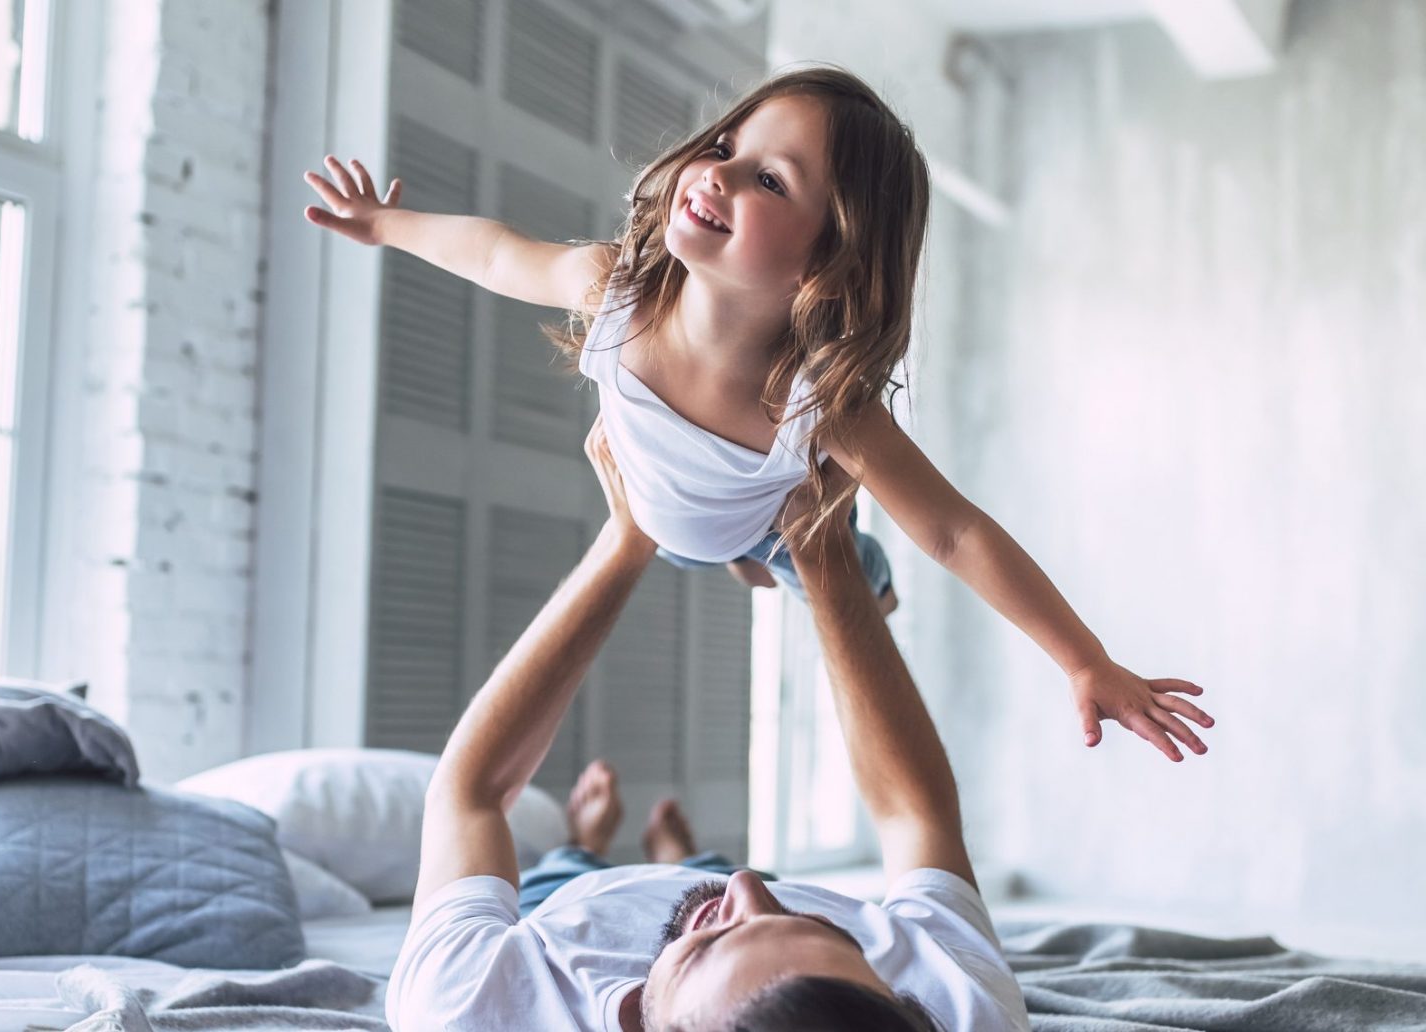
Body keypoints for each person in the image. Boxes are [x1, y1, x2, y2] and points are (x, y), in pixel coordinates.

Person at [303, 65, 1214, 760]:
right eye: (727, 148)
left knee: (829, 561)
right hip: (660, 507)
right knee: (709, 548)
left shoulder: (819, 407)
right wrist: (385, 226)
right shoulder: (613, 290)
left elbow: (954, 531)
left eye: (770, 181)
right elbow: (499, 254)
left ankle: (814, 566)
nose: (719, 174)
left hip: (763, 524)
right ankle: (739, 558)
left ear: (830, 260)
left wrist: (1082, 658)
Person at [384, 418, 1029, 1031]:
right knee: (718, 875)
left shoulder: (470, 1003)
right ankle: (684, 861)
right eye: (823, 933)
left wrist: (625, 542)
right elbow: (917, 818)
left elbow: (471, 794)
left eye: (712, 945)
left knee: (564, 868)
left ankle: (587, 844)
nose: (745, 886)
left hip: (569, 904)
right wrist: (820, 546)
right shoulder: (958, 1008)